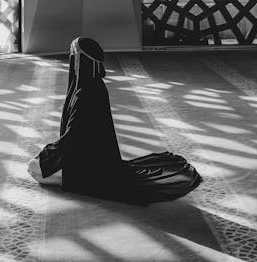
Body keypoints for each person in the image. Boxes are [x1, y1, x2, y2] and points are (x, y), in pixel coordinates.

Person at [27, 36, 202, 204]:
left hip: (89, 166)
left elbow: (73, 136)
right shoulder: (85, 87)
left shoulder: (88, 92)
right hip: (82, 155)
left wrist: (47, 156)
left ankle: (72, 175)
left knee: (35, 170)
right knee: (37, 167)